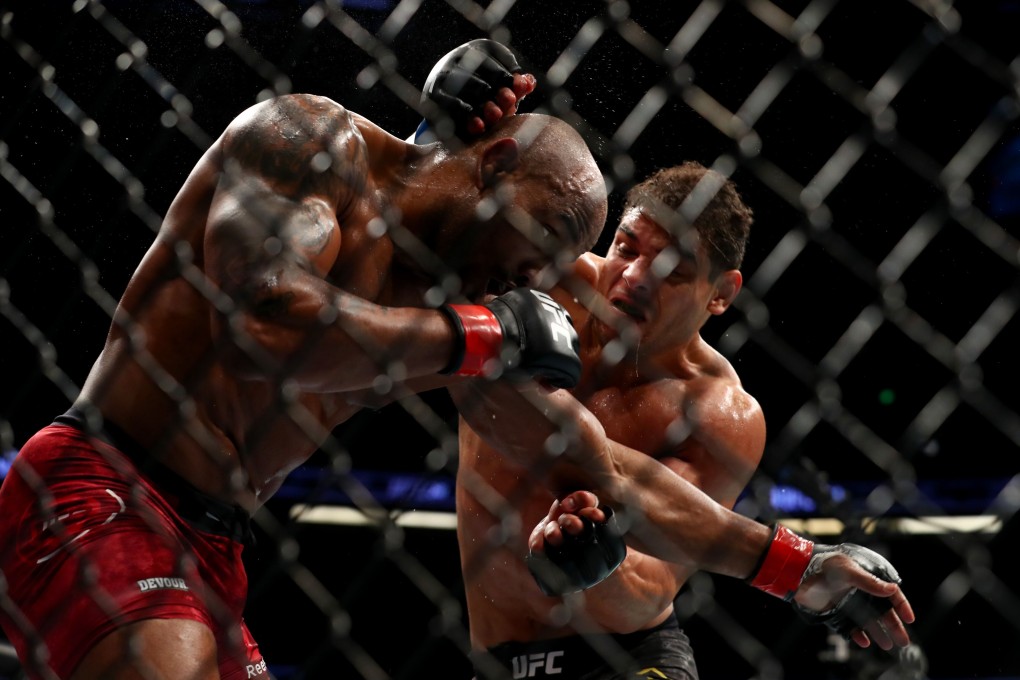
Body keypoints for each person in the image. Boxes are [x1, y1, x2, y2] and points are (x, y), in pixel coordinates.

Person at [0, 60, 607, 680]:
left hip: (218, 547)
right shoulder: (311, 141)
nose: (534, 279)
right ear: (497, 163)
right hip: (103, 483)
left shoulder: (432, 309)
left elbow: (561, 437)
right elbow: (260, 325)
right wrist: (483, 332)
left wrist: (589, 507)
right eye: (548, 232)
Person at [450, 162, 916, 679]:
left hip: (625, 657)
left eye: (672, 271)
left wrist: (588, 558)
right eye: (626, 248)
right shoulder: (543, 282)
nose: (633, 279)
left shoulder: (719, 413)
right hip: (489, 659)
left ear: (721, 293)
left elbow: (646, 592)